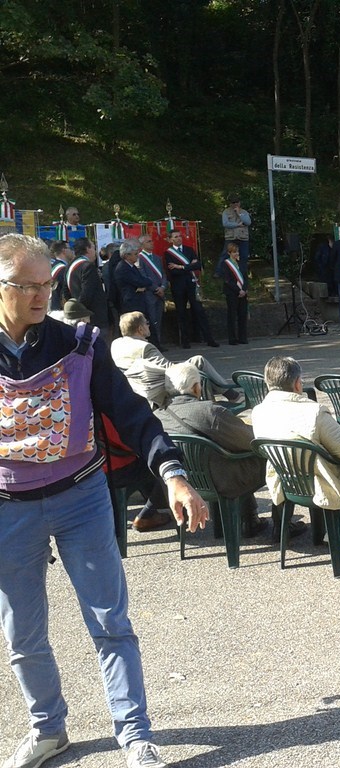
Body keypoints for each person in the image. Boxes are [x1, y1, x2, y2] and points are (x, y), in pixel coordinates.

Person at [0, 233, 209, 768]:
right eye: (27, 285)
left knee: (110, 621)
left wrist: (173, 475)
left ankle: (135, 735)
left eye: (47, 284)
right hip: (8, 507)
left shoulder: (80, 344)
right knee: (22, 634)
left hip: (82, 498)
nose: (41, 295)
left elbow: (134, 415)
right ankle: (48, 729)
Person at [250, 357, 340, 549]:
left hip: (286, 482)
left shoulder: (258, 412)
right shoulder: (314, 412)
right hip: (322, 482)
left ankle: (339, 529)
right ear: (297, 383)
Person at [154, 362, 268, 538]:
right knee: (269, 455)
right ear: (196, 387)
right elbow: (251, 440)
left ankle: (247, 519)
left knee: (228, 453)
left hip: (185, 481)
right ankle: (269, 523)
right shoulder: (210, 411)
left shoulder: (157, 416)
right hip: (222, 480)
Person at [111, 311, 240, 408]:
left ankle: (226, 397)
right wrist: (186, 365)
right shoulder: (145, 347)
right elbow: (170, 369)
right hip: (157, 388)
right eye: (147, 323)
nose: (149, 326)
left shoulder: (116, 344)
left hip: (135, 387)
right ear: (140, 329)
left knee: (195, 365)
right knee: (198, 361)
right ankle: (230, 396)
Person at [164, 228, 217, 348]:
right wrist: (189, 266)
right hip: (178, 287)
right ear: (170, 240)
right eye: (176, 237)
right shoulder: (168, 253)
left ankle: (209, 339)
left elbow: (198, 265)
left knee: (199, 311)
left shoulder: (189, 250)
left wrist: (181, 267)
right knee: (181, 313)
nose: (179, 238)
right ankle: (185, 341)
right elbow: (173, 272)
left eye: (180, 236)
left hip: (191, 284)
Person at [67, 237, 109, 338]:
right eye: (94, 248)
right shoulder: (88, 266)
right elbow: (87, 294)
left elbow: (65, 293)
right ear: (87, 249)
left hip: (77, 316)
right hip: (93, 318)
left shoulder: (69, 266)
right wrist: (81, 313)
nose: (95, 251)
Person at [136, 232, 167, 349]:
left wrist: (163, 287)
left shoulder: (157, 258)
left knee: (158, 320)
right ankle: (152, 345)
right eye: (148, 241)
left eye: (151, 240)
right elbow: (143, 276)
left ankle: (158, 343)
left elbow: (163, 274)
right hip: (150, 294)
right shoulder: (139, 258)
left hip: (160, 293)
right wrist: (155, 288)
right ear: (142, 245)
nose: (152, 243)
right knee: (151, 320)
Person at [114, 238, 155, 318]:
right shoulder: (123, 268)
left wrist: (142, 285)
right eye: (135, 254)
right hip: (131, 303)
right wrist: (148, 281)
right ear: (127, 255)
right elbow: (139, 281)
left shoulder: (131, 266)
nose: (138, 255)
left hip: (137, 301)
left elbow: (141, 279)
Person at [217, 242, 248, 345]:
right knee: (232, 315)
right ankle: (232, 338)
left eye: (237, 252)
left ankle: (242, 337)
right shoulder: (225, 264)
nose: (236, 254)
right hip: (232, 292)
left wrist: (244, 289)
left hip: (243, 293)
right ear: (229, 253)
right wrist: (238, 290)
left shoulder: (241, 263)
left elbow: (245, 278)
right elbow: (227, 280)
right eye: (234, 252)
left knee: (242, 315)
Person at [221, 195, 251, 275]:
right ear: (230, 204)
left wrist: (239, 213)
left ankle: (242, 274)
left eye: (237, 202)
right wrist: (237, 225)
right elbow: (225, 223)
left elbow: (248, 222)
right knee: (225, 255)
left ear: (239, 203)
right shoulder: (226, 212)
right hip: (230, 237)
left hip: (243, 238)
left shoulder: (244, 212)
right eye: (233, 202)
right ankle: (220, 272)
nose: (235, 204)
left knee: (244, 256)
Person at [47, 240, 71, 314]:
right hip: (60, 309)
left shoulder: (53, 266)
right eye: (70, 248)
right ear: (64, 251)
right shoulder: (62, 269)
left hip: (51, 307)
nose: (72, 251)